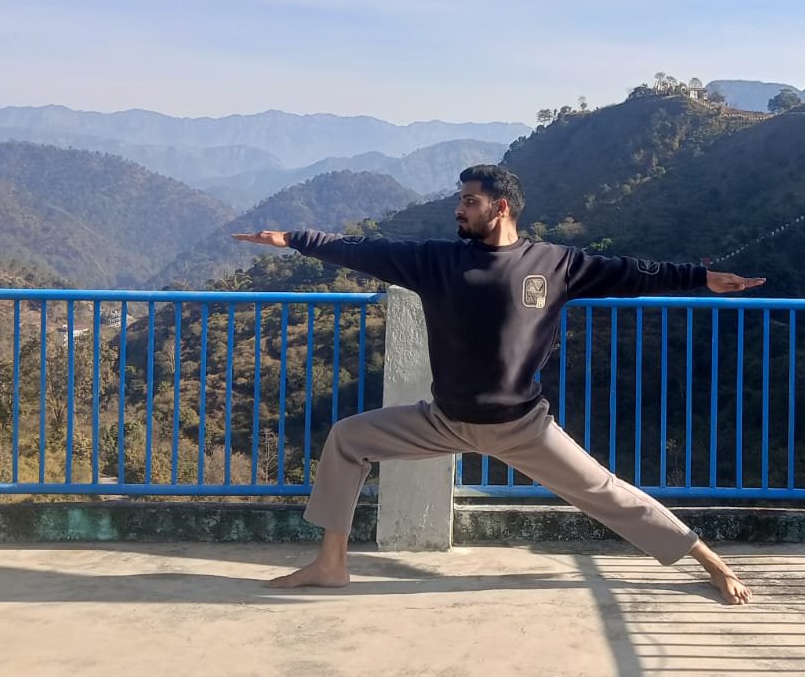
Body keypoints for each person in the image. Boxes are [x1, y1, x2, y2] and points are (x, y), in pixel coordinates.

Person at [232, 164, 764, 604]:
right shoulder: (435, 261)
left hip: (522, 427)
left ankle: (711, 563)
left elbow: (635, 273)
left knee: (607, 493)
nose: (458, 209)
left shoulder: (555, 264)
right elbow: (362, 249)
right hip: (442, 420)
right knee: (348, 439)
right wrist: (295, 240)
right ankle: (331, 564)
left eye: (469, 201)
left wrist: (702, 277)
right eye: (459, 200)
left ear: (500, 207)